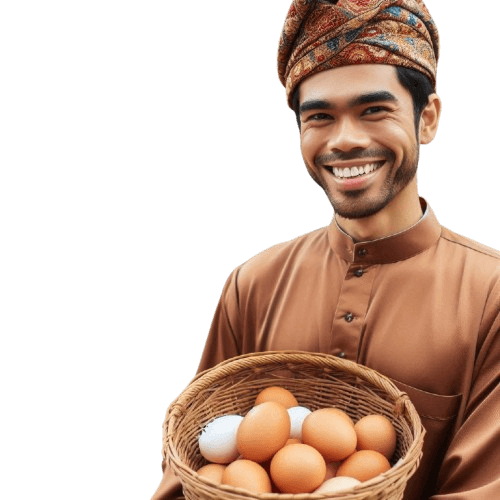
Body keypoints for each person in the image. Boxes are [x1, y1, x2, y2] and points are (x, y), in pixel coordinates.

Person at [152, 1, 500, 498]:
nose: (345, 140)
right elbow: (192, 462)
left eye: (373, 110)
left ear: (428, 119)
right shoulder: (253, 283)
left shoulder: (491, 296)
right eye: (320, 116)